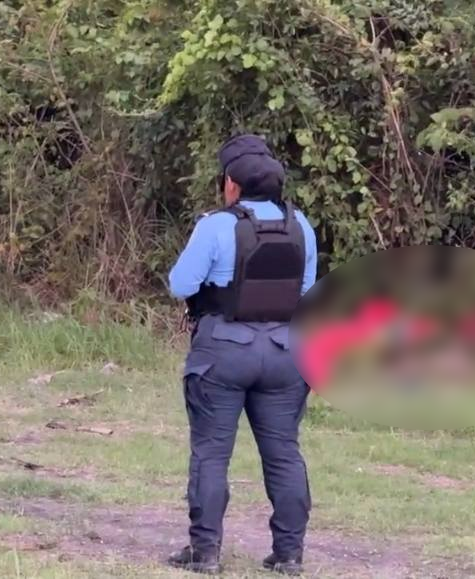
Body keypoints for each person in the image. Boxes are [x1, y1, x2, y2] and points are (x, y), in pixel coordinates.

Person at [166, 134, 318, 576]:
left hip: (224, 350)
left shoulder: (215, 226)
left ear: (231, 183)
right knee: (285, 453)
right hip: (286, 351)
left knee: (212, 453)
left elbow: (180, 285)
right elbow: (307, 292)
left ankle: (205, 551)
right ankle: (289, 554)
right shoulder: (301, 225)